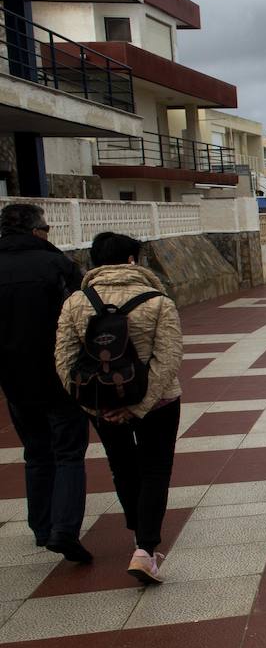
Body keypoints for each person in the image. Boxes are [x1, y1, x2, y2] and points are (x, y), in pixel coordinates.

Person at [55, 232, 183, 584]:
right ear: (131, 260)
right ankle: (145, 549)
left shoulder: (77, 302)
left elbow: (64, 362)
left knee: (123, 467)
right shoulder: (158, 301)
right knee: (155, 469)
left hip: (102, 404)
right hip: (158, 402)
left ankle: (137, 534)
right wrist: (139, 405)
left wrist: (94, 406)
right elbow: (168, 358)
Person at [0, 202, 92, 563]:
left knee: (36, 452)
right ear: (37, 231)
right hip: (59, 376)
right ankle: (64, 530)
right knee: (68, 452)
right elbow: (82, 316)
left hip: (14, 381)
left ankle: (41, 527)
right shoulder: (57, 265)